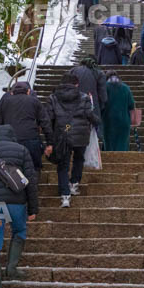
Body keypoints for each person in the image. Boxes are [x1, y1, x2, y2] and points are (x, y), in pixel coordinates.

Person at [0, 124, 39, 288]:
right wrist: (33, 208)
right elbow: (30, 180)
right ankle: (11, 268)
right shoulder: (22, 151)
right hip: (17, 203)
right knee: (19, 231)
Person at [47, 73, 100, 207]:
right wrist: (97, 121)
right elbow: (89, 114)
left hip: (62, 134)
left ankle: (65, 194)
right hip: (80, 134)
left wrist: (50, 139)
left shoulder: (53, 97)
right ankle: (74, 183)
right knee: (78, 158)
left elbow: (49, 118)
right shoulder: (84, 97)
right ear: (76, 84)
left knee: (63, 164)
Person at [0, 81, 52, 171]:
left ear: (11, 92)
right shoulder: (34, 101)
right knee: (33, 169)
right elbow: (45, 122)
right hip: (31, 139)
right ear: (28, 91)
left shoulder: (5, 101)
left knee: (10, 169)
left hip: (10, 141)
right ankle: (32, 184)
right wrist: (50, 143)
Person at [70, 57, 107, 144]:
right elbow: (103, 96)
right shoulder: (98, 73)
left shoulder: (73, 71)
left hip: (74, 106)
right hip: (93, 107)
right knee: (93, 133)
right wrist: (101, 107)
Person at [102, 72, 135, 152]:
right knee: (122, 144)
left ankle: (109, 162)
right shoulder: (126, 88)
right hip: (124, 120)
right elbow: (131, 105)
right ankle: (122, 161)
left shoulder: (104, 87)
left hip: (108, 121)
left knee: (109, 144)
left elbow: (101, 103)